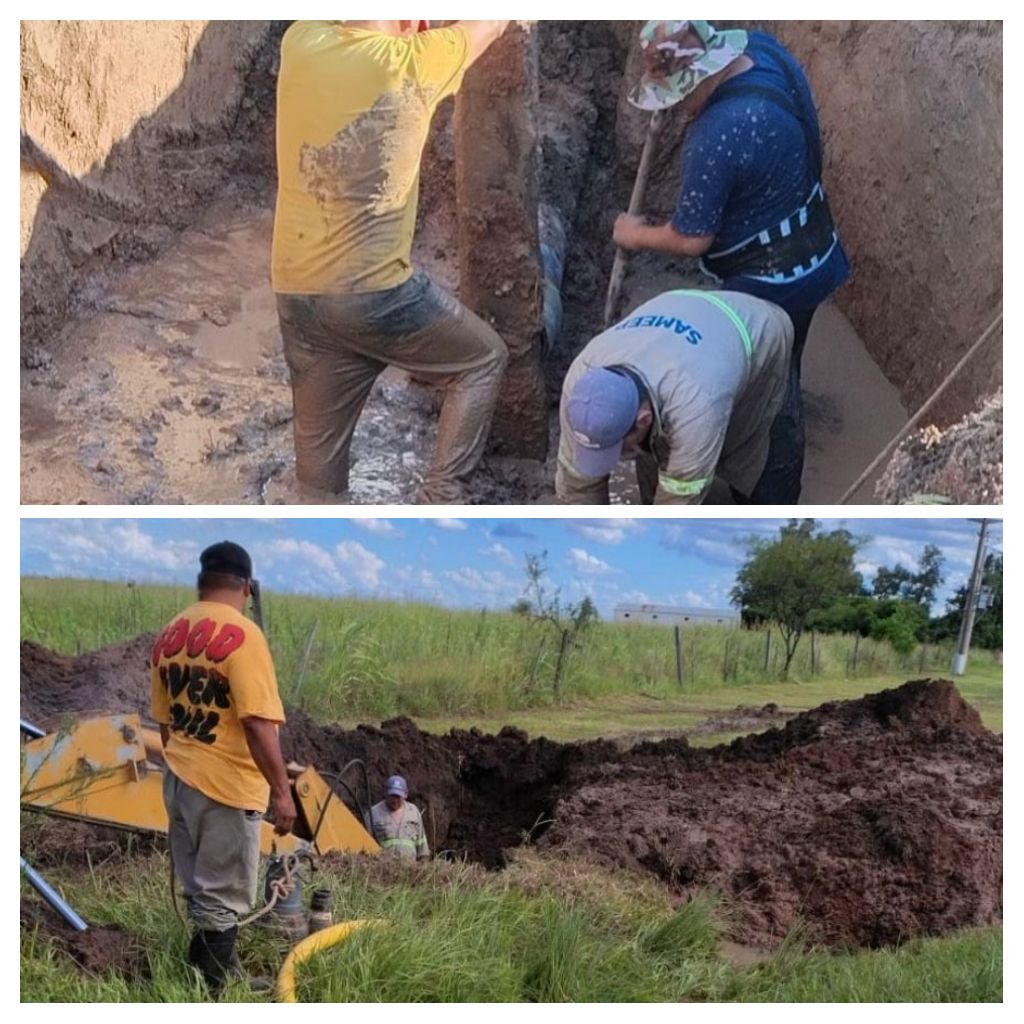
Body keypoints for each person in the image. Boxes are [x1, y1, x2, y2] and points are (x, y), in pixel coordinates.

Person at [273, 20, 512, 504]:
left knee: (318, 489)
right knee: (484, 359)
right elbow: (493, 20)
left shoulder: (299, 42)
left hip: (296, 294)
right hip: (375, 295)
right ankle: (441, 493)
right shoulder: (416, 62)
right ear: (411, 24)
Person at [612, 20, 851, 503]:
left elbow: (692, 238)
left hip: (768, 282)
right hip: (813, 241)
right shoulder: (766, 51)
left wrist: (634, 234)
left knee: (762, 392)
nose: (679, 109)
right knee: (785, 361)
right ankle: (780, 406)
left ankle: (768, 489)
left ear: (699, 76)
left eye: (680, 95)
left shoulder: (718, 135)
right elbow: (811, 135)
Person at [150, 541, 296, 995]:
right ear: (246, 588)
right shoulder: (244, 635)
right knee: (225, 891)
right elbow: (255, 722)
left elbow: (165, 723)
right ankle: (215, 987)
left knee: (199, 884)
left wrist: (183, 768)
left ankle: (207, 965)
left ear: (202, 582)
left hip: (179, 779)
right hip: (227, 786)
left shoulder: (170, 633)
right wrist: (282, 791)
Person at [556, 289, 792, 504]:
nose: (614, 459)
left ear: (643, 420)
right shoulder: (580, 386)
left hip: (758, 331)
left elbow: (673, 512)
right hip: (679, 312)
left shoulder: (697, 407)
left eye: (615, 449)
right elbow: (578, 486)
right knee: (656, 450)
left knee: (748, 451)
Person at [369, 775, 430, 862]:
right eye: (392, 796)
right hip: (383, 870)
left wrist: (424, 866)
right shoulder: (374, 813)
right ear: (385, 793)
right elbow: (364, 847)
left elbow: (422, 847)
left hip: (410, 869)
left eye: (398, 797)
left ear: (405, 795)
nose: (394, 800)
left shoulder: (413, 812)